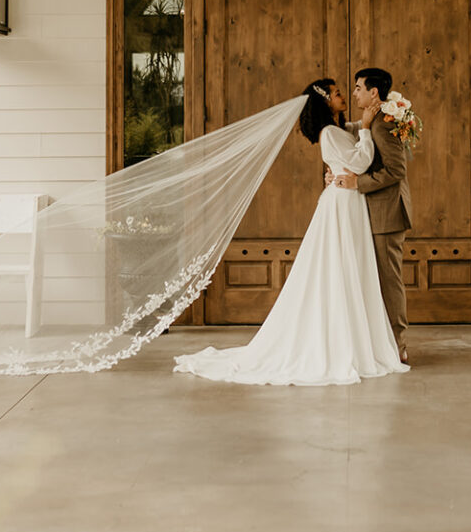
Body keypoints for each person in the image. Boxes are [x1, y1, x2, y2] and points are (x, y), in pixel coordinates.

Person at [172, 79, 409, 386]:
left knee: (350, 269)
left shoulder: (337, 131)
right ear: (324, 102)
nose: (344, 96)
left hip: (349, 202)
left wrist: (363, 129)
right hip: (343, 204)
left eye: (347, 90)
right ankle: (348, 343)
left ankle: (359, 336)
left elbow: (352, 154)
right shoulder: (330, 133)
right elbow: (362, 162)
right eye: (338, 93)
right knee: (342, 269)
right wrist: (365, 127)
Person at [331, 67, 412, 364]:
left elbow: (396, 171)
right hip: (373, 213)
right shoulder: (374, 121)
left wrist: (357, 183)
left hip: (387, 214)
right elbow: (354, 133)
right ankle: (379, 344)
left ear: (373, 92)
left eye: (357, 88)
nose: (354, 93)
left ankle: (399, 343)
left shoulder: (383, 125)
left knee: (389, 281)